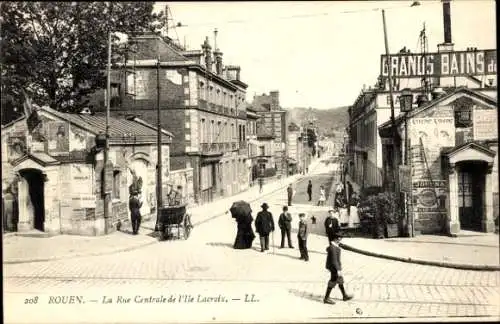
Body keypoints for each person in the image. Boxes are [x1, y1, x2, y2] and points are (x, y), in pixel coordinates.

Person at [323, 232, 353, 304]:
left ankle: (344, 296)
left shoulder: (334, 245)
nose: (341, 240)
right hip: (334, 267)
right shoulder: (333, 248)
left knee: (340, 281)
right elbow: (334, 261)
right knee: (333, 281)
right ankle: (326, 298)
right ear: (337, 239)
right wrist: (338, 270)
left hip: (335, 267)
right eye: (340, 238)